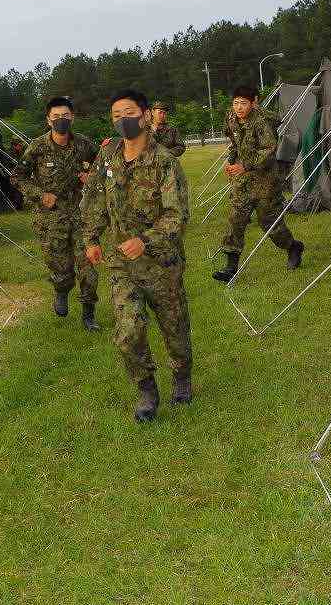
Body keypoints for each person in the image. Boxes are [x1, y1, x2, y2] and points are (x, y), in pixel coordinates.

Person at [84, 89, 193, 423]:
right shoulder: (107, 157)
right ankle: (146, 390)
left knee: (174, 330)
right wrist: (91, 238)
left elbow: (177, 215)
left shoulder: (164, 161)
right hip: (122, 265)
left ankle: (181, 375)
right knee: (129, 332)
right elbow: (94, 198)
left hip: (162, 264)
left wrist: (146, 240)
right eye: (116, 115)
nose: (122, 120)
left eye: (128, 113)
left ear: (145, 116)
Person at [17, 96, 101, 330]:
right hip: (50, 219)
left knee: (88, 268)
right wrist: (40, 194)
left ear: (72, 117)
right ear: (48, 120)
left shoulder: (85, 145)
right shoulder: (37, 147)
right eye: (56, 117)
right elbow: (18, 177)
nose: (61, 120)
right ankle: (61, 290)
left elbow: (104, 168)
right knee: (61, 268)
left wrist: (92, 178)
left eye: (65, 116)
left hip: (81, 215)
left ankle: (88, 315)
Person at [212, 85, 303, 283]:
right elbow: (235, 143)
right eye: (235, 103)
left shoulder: (262, 123)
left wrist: (245, 165)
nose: (238, 107)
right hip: (243, 179)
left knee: (268, 222)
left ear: (253, 103)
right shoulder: (231, 118)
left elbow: (269, 152)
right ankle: (231, 267)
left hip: (266, 180)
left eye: (243, 103)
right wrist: (231, 160)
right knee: (236, 218)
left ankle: (292, 246)